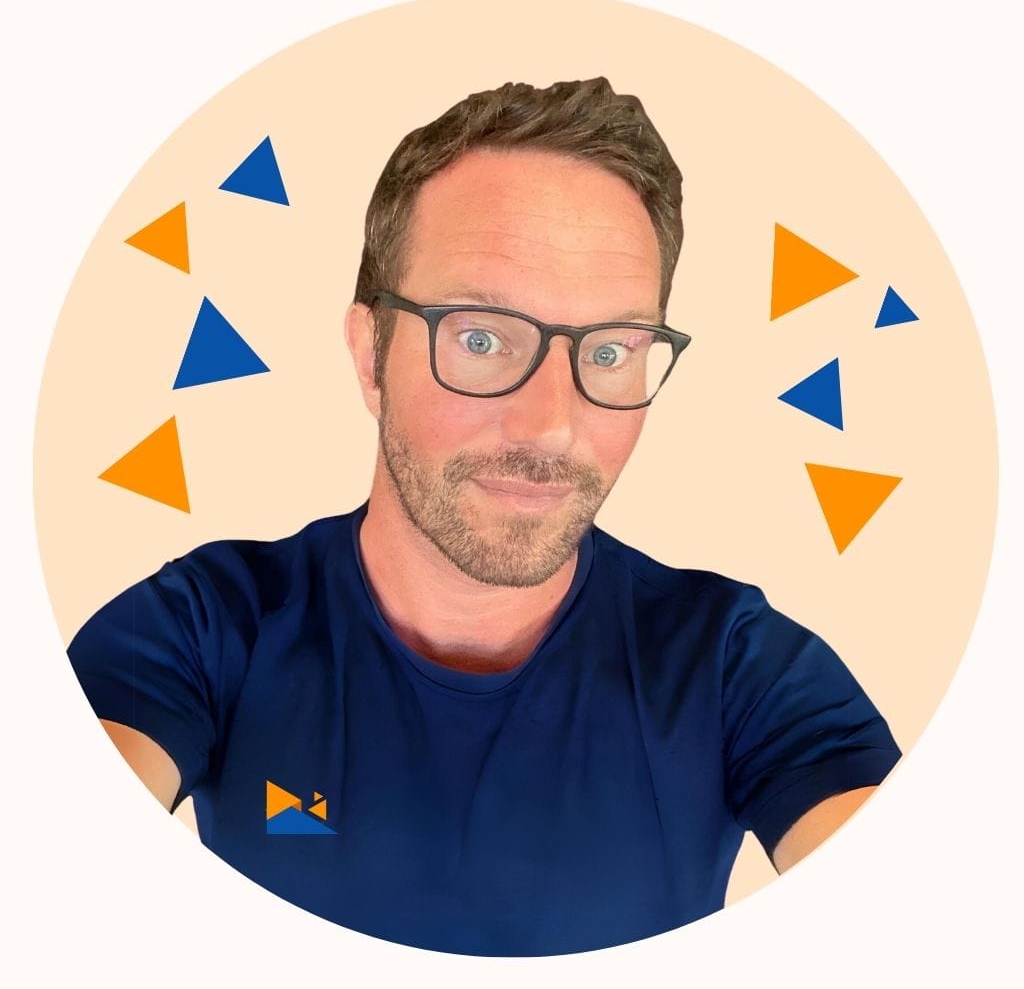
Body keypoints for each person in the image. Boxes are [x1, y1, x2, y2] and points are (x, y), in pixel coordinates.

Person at [66, 77, 901, 956]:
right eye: (480, 337)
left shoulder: (739, 668)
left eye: (611, 351)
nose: (550, 425)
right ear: (371, 355)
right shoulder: (202, 628)